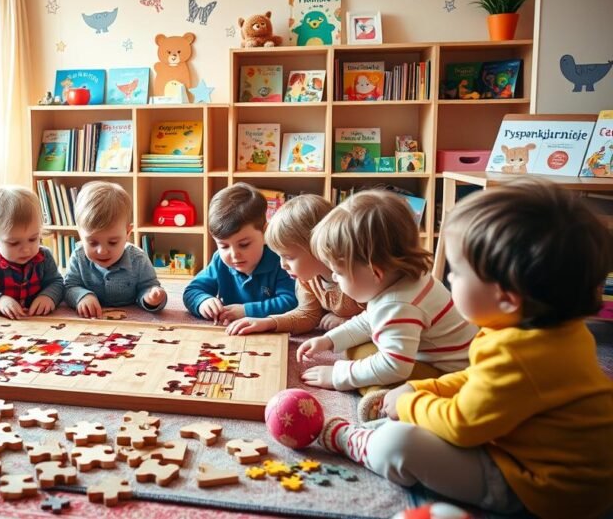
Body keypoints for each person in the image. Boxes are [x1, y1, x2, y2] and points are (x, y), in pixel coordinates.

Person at [320, 180, 613, 519]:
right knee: (415, 411)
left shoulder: (515, 354)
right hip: (570, 472)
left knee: (396, 444)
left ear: (506, 297)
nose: (446, 281)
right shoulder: (554, 331)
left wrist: (410, 402)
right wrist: (420, 387)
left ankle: (359, 442)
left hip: (544, 488)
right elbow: (476, 379)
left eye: (456, 273)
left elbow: (462, 424)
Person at [296, 190, 476, 422]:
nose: (333, 276)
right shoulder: (403, 280)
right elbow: (370, 320)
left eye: (338, 272)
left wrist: (337, 375)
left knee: (365, 359)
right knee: (356, 348)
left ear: (375, 272)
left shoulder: (398, 305)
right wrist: (330, 340)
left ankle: (379, 401)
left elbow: (394, 366)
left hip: (447, 375)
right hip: (429, 356)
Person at [226, 194, 364, 336]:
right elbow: (308, 315)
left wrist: (347, 322)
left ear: (318, 247)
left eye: (288, 257)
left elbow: (382, 314)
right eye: (279, 256)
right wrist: (267, 322)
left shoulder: (356, 276)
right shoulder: (307, 278)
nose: (282, 265)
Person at [183, 183, 297, 324]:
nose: (234, 254)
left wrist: (246, 311)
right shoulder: (220, 260)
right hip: (232, 332)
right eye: (223, 246)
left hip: (270, 330)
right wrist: (203, 302)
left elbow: (292, 301)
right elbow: (192, 291)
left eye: (244, 245)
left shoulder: (280, 261)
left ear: (265, 232)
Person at [64, 182, 166, 317]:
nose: (102, 251)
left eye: (112, 242)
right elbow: (69, 287)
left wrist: (151, 298)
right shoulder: (78, 256)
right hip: (92, 322)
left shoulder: (138, 259)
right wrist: (82, 296)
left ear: (128, 233)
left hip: (130, 320)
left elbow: (149, 287)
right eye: (92, 242)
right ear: (80, 234)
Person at [0, 186, 64, 319]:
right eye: (14, 243)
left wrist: (48, 296)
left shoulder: (44, 257)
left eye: (33, 239)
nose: (26, 249)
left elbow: (56, 282)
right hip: (1, 327)